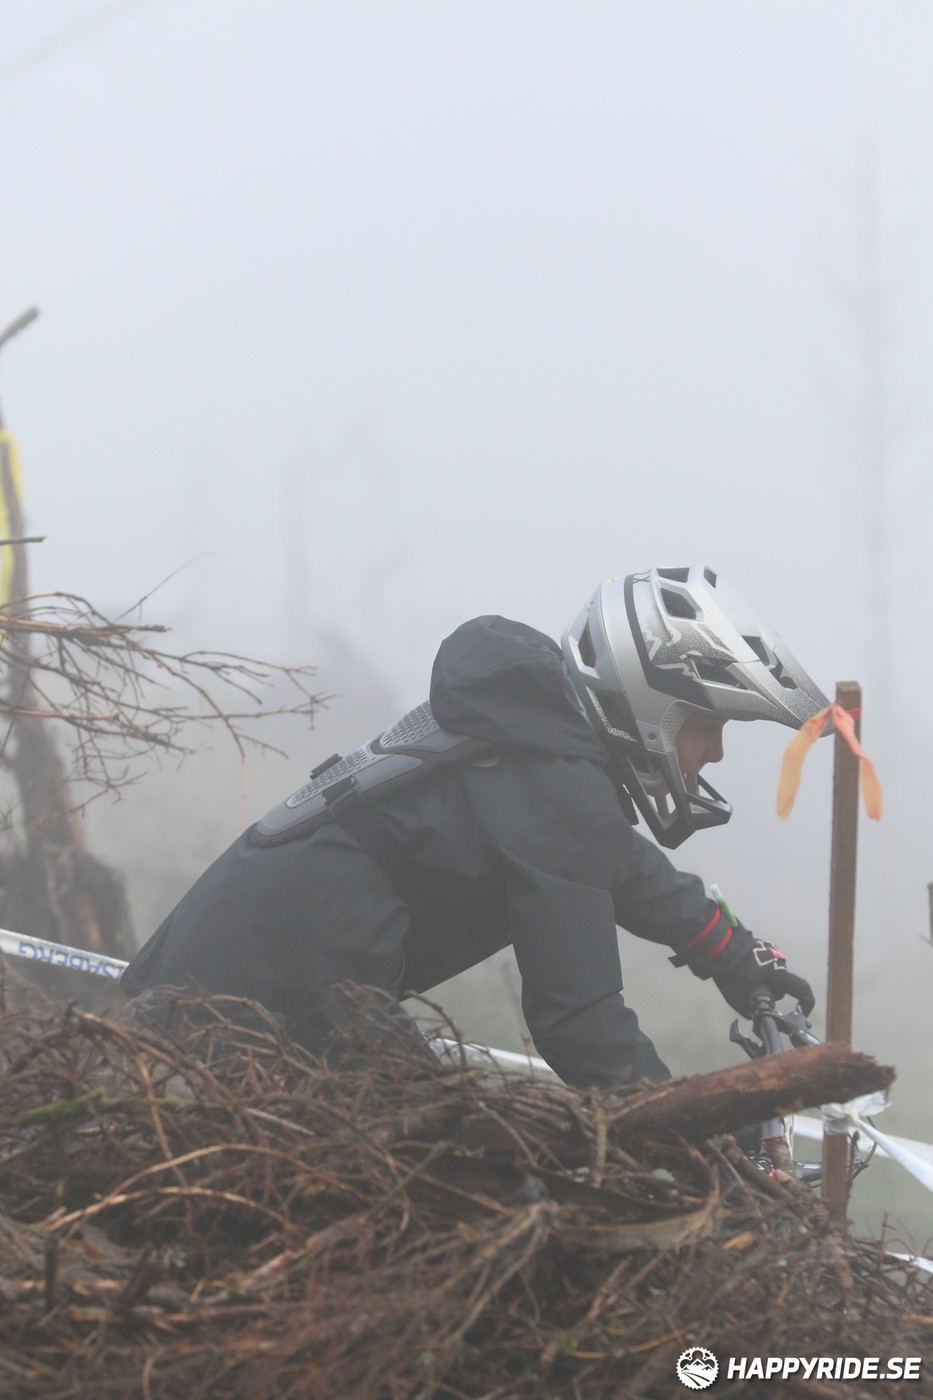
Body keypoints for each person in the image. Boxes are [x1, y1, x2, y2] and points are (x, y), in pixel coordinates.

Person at [121, 564, 824, 1087]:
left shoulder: (541, 755)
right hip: (254, 1004)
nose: (717, 753)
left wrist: (732, 952)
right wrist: (706, 1157)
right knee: (476, 1201)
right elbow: (580, 1025)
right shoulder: (553, 782)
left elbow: (617, 866)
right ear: (649, 711)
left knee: (477, 1179)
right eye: (708, 727)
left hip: (258, 982)